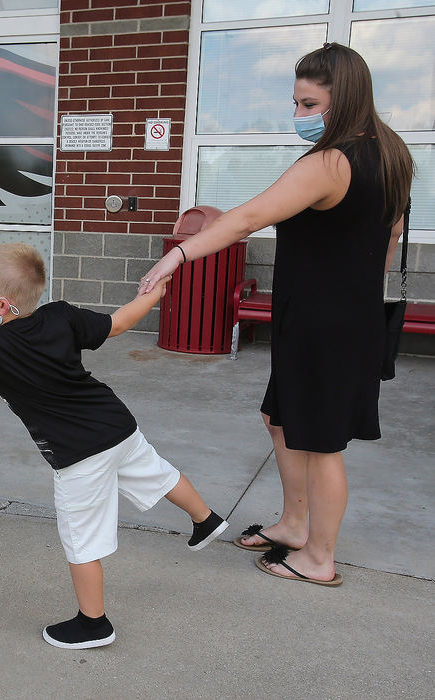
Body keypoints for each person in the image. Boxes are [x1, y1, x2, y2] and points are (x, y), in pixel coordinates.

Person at [139, 43, 413, 587]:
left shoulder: (331, 162)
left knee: (321, 443)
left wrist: (178, 252)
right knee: (281, 419)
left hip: (323, 322)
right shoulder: (392, 154)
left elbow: (249, 217)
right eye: (297, 103)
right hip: (339, 314)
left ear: (347, 99)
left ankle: (318, 558)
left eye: (311, 105)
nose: (300, 117)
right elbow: (391, 238)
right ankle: (293, 525)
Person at [0, 243, 228, 649]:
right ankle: (206, 519)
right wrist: (152, 295)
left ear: (1, 305)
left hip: (79, 457)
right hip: (115, 424)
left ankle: (94, 624)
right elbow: (118, 324)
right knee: (158, 474)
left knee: (81, 539)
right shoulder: (60, 314)